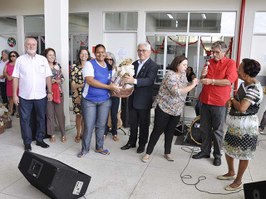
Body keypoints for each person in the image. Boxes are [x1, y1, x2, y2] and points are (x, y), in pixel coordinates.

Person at [142, 55, 198, 162]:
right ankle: (148, 153)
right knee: (157, 131)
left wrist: (193, 81)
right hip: (164, 108)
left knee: (170, 131)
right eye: (184, 65)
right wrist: (192, 85)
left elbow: (185, 86)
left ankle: (167, 152)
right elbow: (176, 91)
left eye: (186, 65)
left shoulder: (182, 75)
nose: (186, 67)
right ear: (177, 64)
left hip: (177, 109)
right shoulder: (170, 75)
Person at [217, 58, 263, 191]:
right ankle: (231, 172)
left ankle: (238, 181)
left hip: (247, 127)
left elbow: (242, 108)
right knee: (228, 148)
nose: (237, 69)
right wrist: (232, 101)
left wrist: (231, 99)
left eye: (240, 68)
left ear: (246, 73)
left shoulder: (254, 88)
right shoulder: (244, 85)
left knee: (244, 153)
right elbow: (238, 101)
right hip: (235, 125)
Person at [192, 41, 238, 166]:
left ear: (224, 52)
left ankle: (217, 155)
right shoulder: (209, 62)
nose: (214, 54)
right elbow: (202, 79)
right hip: (206, 100)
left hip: (220, 102)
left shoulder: (230, 63)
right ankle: (205, 151)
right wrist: (203, 74)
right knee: (204, 128)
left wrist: (211, 81)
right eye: (213, 52)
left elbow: (229, 81)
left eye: (217, 52)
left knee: (218, 130)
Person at [77, 44, 119, 158]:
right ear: (95, 54)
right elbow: (90, 81)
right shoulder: (90, 64)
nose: (101, 54)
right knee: (89, 126)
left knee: (101, 125)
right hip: (89, 100)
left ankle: (99, 147)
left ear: (105, 53)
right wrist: (108, 88)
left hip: (104, 100)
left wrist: (116, 88)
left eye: (103, 52)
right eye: (98, 52)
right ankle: (85, 149)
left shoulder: (109, 66)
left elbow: (111, 81)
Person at [12, 37, 53, 151]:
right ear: (25, 46)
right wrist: (15, 95)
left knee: (41, 118)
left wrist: (49, 91)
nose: (31, 46)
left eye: (33, 44)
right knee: (25, 120)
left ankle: (39, 139)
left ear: (36, 46)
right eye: (28, 44)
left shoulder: (43, 60)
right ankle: (27, 142)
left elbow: (48, 76)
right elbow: (15, 77)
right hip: (24, 96)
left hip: (41, 96)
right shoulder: (20, 60)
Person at [121, 42, 158, 153]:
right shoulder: (134, 64)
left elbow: (149, 80)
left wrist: (134, 81)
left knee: (143, 124)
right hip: (132, 98)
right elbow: (128, 77)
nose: (141, 52)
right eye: (139, 50)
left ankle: (142, 144)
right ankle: (131, 142)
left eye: (143, 50)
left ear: (149, 52)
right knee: (133, 123)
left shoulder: (153, 65)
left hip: (144, 100)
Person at [43, 48, 66, 143]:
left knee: (60, 114)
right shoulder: (43, 67)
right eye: (50, 55)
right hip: (47, 94)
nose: (52, 57)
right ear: (46, 56)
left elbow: (63, 78)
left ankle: (63, 133)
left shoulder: (58, 66)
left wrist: (59, 80)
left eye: (53, 55)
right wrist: (48, 82)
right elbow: (39, 80)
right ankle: (51, 134)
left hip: (58, 93)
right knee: (50, 115)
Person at [71, 49, 91, 143]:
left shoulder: (91, 67)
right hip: (77, 95)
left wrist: (79, 85)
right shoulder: (74, 67)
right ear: (79, 55)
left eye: (86, 54)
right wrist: (77, 96)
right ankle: (78, 134)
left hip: (88, 95)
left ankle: (83, 133)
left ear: (88, 55)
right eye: (82, 54)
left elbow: (91, 83)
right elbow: (72, 84)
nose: (84, 55)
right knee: (78, 115)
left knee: (85, 116)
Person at [104, 52, 120, 141]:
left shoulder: (117, 70)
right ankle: (105, 132)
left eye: (110, 59)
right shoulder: (103, 69)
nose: (109, 61)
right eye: (107, 59)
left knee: (114, 114)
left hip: (115, 94)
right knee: (105, 114)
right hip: (105, 94)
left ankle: (114, 132)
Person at [4, 51, 19, 116]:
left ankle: (19, 112)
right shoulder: (8, 64)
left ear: (16, 56)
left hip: (17, 83)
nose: (12, 57)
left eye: (14, 56)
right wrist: (8, 77)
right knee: (10, 98)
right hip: (9, 83)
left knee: (18, 97)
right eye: (11, 56)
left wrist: (12, 77)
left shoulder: (19, 63)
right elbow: (4, 72)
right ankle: (11, 111)